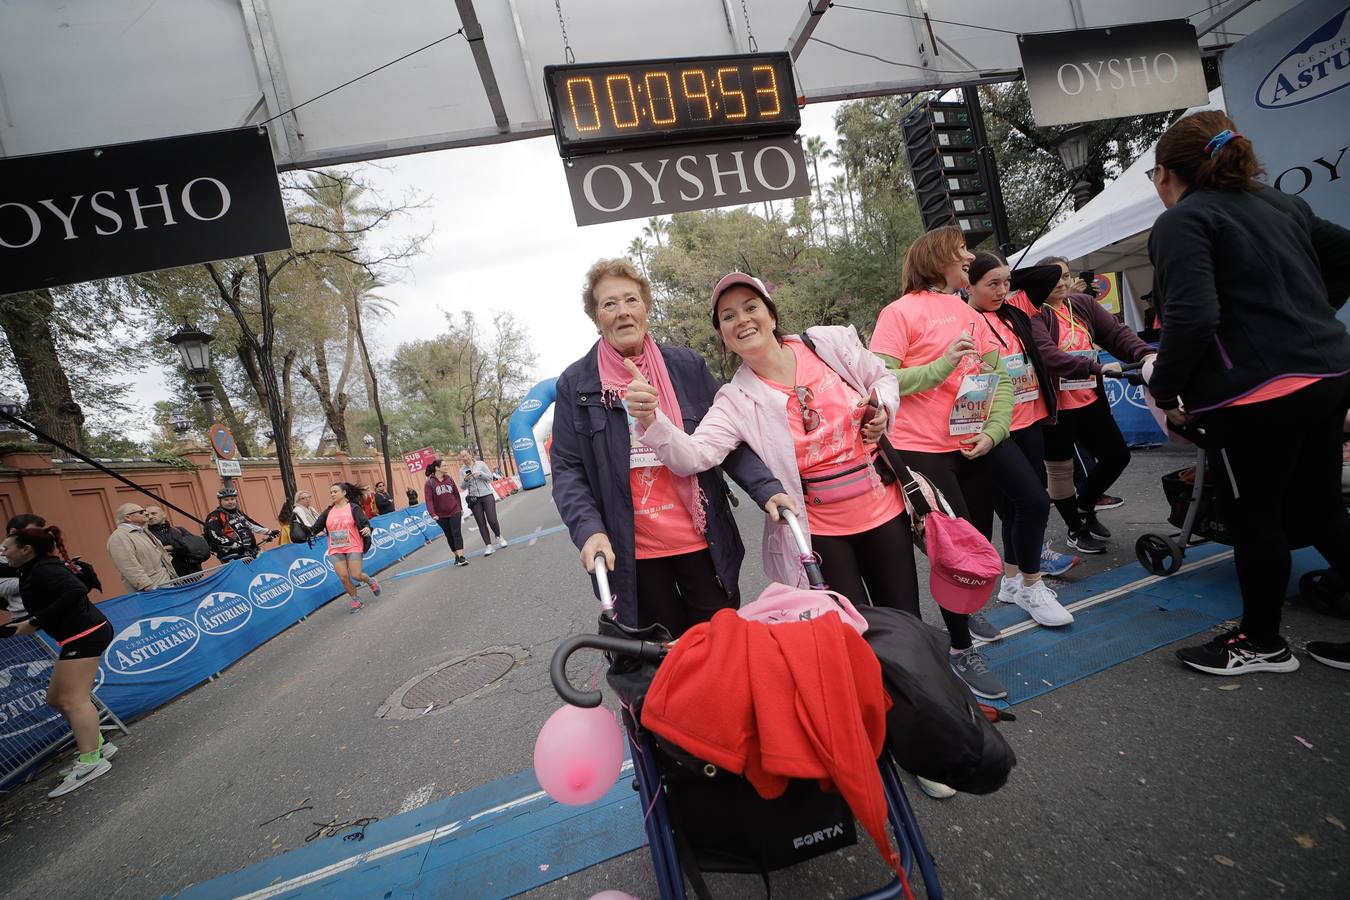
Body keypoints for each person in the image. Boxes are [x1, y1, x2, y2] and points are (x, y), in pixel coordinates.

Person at [1146, 111, 1350, 675]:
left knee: (1256, 517)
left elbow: (1191, 317)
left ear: (1166, 174)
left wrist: (1165, 392)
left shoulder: (1183, 221)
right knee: (1322, 507)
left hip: (1258, 396)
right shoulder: (1282, 204)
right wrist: (1306, 318)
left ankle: (1261, 643)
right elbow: (1345, 255)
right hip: (1329, 373)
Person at [629, 271, 922, 617]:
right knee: (856, 633)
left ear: (771, 314)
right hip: (819, 531)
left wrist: (882, 408)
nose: (742, 320)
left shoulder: (828, 344)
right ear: (723, 334)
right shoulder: (735, 399)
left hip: (883, 509)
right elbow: (692, 456)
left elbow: (882, 378)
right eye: (728, 316)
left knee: (907, 620)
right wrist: (651, 418)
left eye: (750, 307)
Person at [551, 258, 789, 636]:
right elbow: (567, 470)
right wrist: (589, 530)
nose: (623, 312)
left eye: (631, 300)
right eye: (609, 304)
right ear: (596, 318)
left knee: (723, 648)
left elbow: (726, 436)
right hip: (634, 554)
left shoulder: (686, 366)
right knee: (664, 663)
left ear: (646, 307)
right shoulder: (576, 384)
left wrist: (767, 488)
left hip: (702, 540)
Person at [868, 225, 1012, 701]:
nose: (970, 257)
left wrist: (994, 431)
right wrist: (942, 366)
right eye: (961, 251)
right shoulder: (898, 312)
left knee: (979, 536)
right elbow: (879, 383)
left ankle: (966, 610)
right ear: (936, 259)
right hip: (919, 448)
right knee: (954, 548)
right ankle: (960, 647)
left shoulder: (966, 310)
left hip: (972, 445)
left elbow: (999, 376)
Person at [966, 253, 1074, 627]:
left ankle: (1012, 581)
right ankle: (1031, 583)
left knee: (1017, 509)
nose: (1001, 290)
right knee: (1033, 503)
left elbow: (1048, 274)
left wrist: (1004, 271)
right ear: (969, 284)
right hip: (997, 428)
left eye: (1006, 283)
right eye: (991, 284)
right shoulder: (965, 322)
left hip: (1032, 417)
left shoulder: (1013, 311)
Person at [1029, 257, 1154, 555]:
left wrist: (1146, 353)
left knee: (1116, 456)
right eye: (1053, 278)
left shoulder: (1081, 304)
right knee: (1059, 470)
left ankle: (1085, 505)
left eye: (1065, 276)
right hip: (1055, 408)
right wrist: (1096, 368)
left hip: (1088, 399)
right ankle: (1076, 527)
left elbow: (1115, 333)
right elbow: (1048, 356)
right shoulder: (1033, 315)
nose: (1061, 283)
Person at [0, 526, 117, 797]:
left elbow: (76, 591)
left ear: (26, 549)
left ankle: (91, 762)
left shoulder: (43, 568)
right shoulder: (30, 569)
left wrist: (35, 621)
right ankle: (98, 744)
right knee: (56, 698)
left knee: (73, 700)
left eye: (7, 548)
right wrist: (22, 624)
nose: (3, 553)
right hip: (75, 636)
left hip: (85, 634)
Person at [311, 482, 379, 611]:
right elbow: (315, 528)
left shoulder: (353, 508)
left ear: (344, 493)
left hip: (353, 545)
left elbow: (365, 523)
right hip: (335, 548)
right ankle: (356, 600)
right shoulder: (328, 511)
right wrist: (301, 530)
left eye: (335, 491)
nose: (332, 494)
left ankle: (370, 581)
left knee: (356, 575)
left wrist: (367, 529)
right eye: (331, 492)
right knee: (343, 577)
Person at [106, 502, 176, 593]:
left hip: (167, 584)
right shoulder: (119, 537)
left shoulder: (143, 531)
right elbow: (130, 567)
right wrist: (149, 587)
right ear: (127, 517)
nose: (146, 513)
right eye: (141, 512)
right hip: (153, 592)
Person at [203, 488, 278, 561]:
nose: (230, 502)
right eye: (226, 500)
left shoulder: (238, 513)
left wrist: (269, 532)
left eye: (232, 499)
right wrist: (235, 544)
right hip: (232, 555)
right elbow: (214, 536)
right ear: (220, 501)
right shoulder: (215, 516)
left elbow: (251, 524)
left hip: (251, 551)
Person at [460, 450, 508, 556]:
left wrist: (480, 474)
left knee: (492, 520)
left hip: (486, 495)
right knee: (481, 523)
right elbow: (462, 487)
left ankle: (499, 536)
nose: (465, 458)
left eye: (466, 455)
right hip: (474, 498)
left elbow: (490, 477)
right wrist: (466, 480)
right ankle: (489, 546)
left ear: (470, 455)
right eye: (462, 457)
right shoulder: (462, 470)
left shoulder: (480, 464)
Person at [425, 459, 469, 567]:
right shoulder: (429, 483)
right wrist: (433, 514)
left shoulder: (449, 478)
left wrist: (460, 507)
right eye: (444, 465)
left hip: (454, 510)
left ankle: (461, 557)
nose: (446, 467)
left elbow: (456, 494)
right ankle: (456, 556)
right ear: (437, 467)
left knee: (456, 533)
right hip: (440, 515)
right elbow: (429, 500)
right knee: (449, 535)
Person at [145, 506, 208, 577]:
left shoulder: (179, 530)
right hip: (170, 579)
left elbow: (194, 546)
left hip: (193, 574)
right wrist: (179, 546)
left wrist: (172, 547)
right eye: (147, 515)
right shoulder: (146, 535)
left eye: (153, 513)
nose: (150, 517)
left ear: (163, 514)